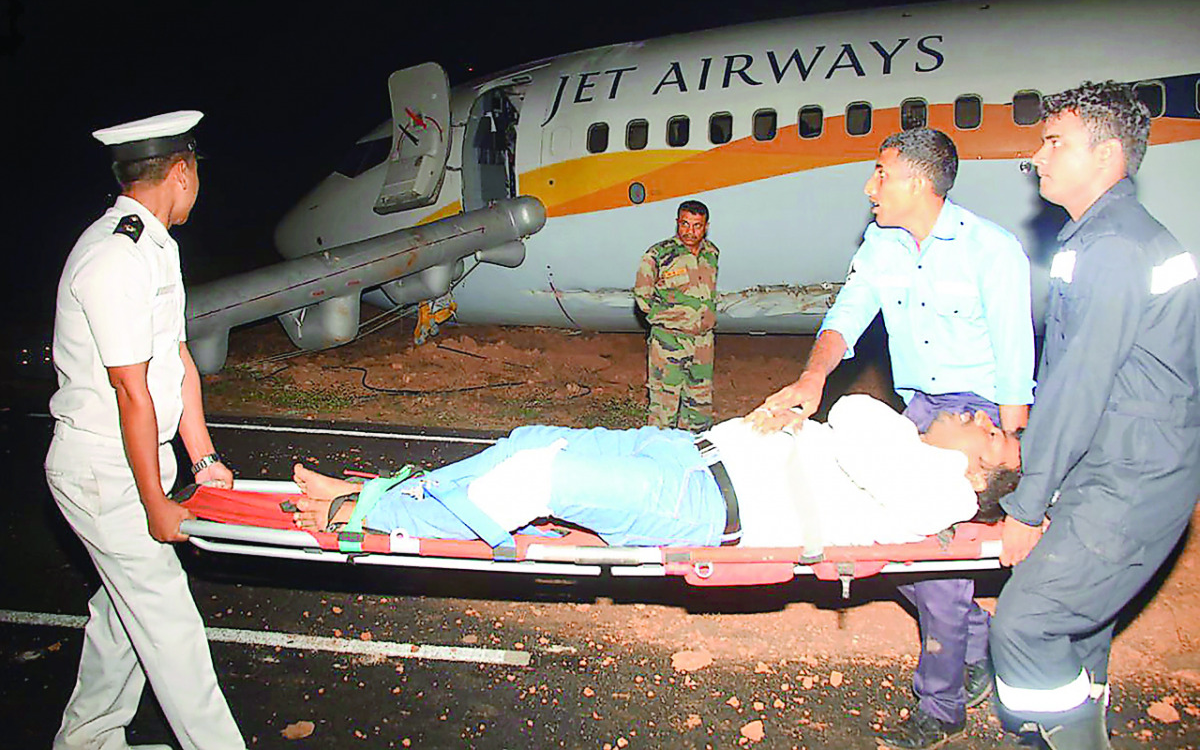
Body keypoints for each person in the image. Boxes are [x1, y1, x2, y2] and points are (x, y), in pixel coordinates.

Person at [748, 128, 1035, 749]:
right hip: (921, 411)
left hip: (974, 423)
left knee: (935, 568)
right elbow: (847, 316)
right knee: (887, 539)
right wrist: (813, 378)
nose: (868, 186)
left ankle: (942, 705)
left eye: (881, 173)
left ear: (918, 183)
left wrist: (1016, 480)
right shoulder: (882, 244)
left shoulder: (992, 251)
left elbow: (1017, 375)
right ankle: (977, 642)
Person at [991, 81, 1200, 750]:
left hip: (1132, 477)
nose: (1038, 157)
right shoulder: (1105, 237)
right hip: (1120, 462)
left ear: (1106, 155)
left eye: (1055, 142)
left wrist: (1028, 506)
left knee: (1027, 624)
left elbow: (1076, 386)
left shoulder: (1112, 248)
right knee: (1080, 629)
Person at [45, 111, 247, 750]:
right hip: (104, 470)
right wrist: (155, 501)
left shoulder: (157, 247)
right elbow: (130, 391)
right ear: (181, 173)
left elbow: (175, 358)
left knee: (122, 619)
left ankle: (86, 741)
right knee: (169, 625)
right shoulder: (113, 258)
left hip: (135, 460)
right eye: (197, 174)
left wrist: (203, 460)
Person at [288, 395, 1021, 552]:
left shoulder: (940, 489)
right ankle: (383, 490)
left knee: (539, 480)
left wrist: (810, 419)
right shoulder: (919, 458)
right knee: (530, 441)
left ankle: (364, 515)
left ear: (983, 467)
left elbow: (856, 416)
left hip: (701, 504)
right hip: (690, 454)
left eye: (990, 429)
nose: (976, 414)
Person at [634, 199, 719, 431]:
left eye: (697, 225)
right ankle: (658, 450)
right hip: (669, 342)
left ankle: (693, 447)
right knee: (664, 406)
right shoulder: (658, 254)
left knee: (700, 406)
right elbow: (642, 297)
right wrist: (673, 319)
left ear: (706, 226)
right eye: (685, 224)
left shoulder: (712, 253)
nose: (690, 231)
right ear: (677, 223)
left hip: (703, 342)